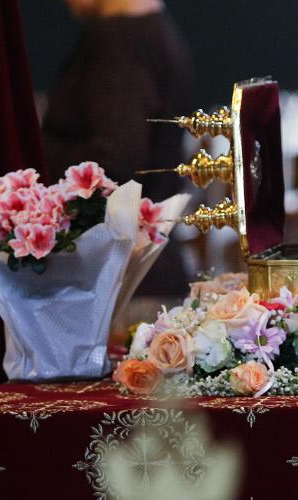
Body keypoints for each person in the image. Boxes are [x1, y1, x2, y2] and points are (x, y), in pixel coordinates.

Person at [43, 0, 195, 295]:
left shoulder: (121, 41)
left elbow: (114, 162)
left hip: (121, 285)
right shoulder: (152, 30)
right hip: (143, 271)